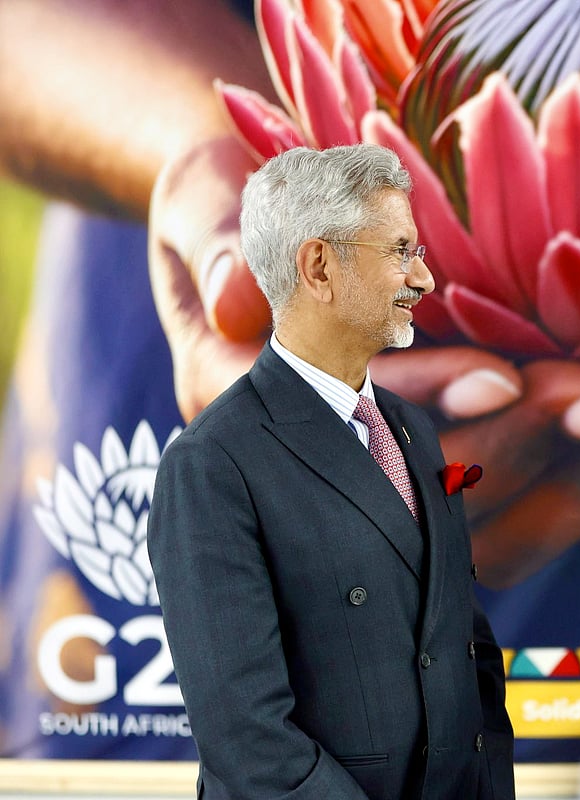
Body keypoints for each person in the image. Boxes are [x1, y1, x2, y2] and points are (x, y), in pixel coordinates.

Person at [147, 143, 515, 799]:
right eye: (400, 251)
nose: (424, 279)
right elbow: (247, 738)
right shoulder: (210, 464)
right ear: (319, 266)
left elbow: (466, 649)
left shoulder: (414, 430)